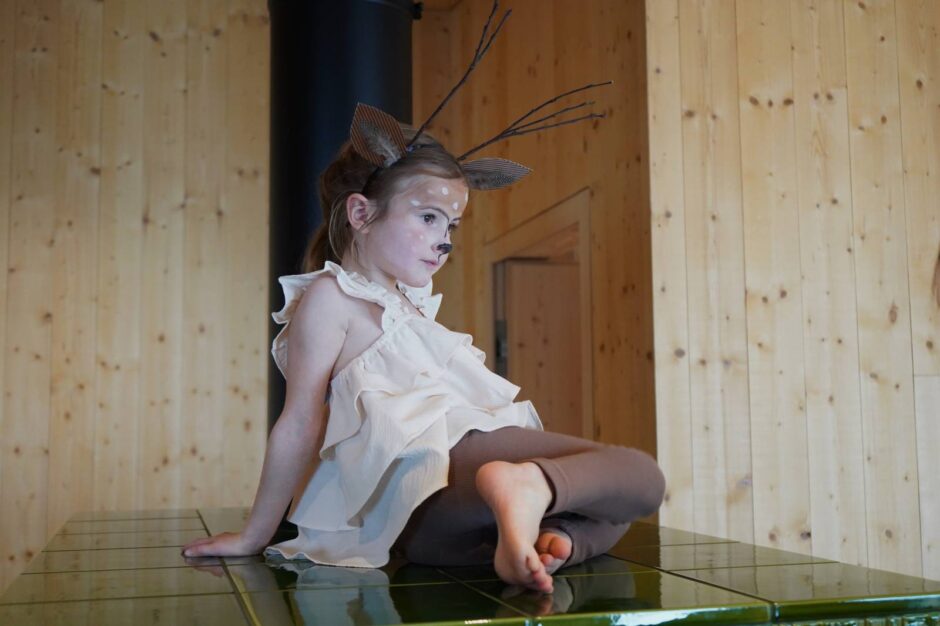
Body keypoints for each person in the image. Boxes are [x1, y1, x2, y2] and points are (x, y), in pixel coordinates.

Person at [182, 0, 665, 594]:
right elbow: (299, 421)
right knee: (639, 478)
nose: (444, 239)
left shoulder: (411, 309)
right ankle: (524, 489)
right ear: (361, 214)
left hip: (433, 534)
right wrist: (256, 534)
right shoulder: (332, 298)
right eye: (429, 217)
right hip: (439, 475)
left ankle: (545, 535)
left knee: (606, 508)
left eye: (451, 225)